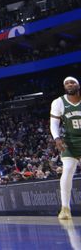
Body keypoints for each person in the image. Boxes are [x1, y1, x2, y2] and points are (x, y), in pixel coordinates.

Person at [50, 76, 81, 220]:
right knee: (68, 169)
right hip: (70, 141)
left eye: (72, 82)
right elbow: (54, 124)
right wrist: (57, 138)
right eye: (66, 83)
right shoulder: (59, 102)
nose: (69, 84)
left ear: (77, 85)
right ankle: (65, 208)